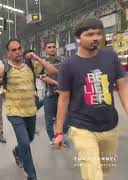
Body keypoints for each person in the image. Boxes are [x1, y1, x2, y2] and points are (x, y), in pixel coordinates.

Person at [55, 18, 128, 180]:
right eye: (89, 34)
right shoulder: (69, 65)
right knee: (93, 174)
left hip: (110, 125)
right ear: (78, 39)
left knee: (105, 169)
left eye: (98, 34)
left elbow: (123, 86)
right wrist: (59, 132)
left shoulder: (110, 56)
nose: (95, 37)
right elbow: (63, 99)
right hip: (82, 127)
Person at [0, 39, 58, 180]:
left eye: (19, 48)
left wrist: (36, 57)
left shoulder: (31, 65)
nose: (17, 52)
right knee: (25, 143)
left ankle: (17, 151)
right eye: (14, 50)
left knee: (30, 138)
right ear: (8, 53)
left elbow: (53, 71)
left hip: (30, 110)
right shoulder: (6, 68)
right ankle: (32, 175)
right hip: (14, 111)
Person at [40, 42, 69, 147]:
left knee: (65, 117)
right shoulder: (42, 62)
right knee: (49, 119)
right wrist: (58, 84)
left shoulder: (63, 60)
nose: (52, 49)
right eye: (49, 47)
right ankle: (52, 138)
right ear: (45, 49)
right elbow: (43, 77)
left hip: (63, 94)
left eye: (53, 47)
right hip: (50, 94)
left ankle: (61, 136)